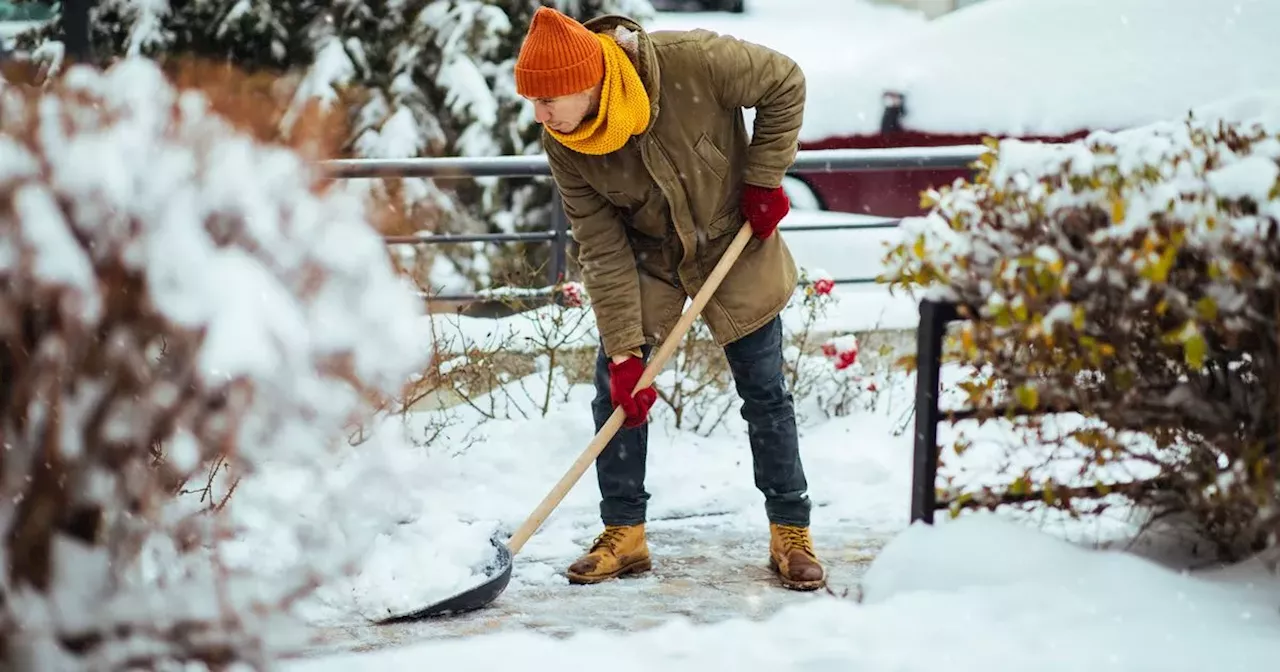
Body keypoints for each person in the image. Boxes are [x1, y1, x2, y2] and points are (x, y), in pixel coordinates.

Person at [514, 6, 823, 591]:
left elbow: (786, 81)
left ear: (587, 82)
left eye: (547, 99)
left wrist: (764, 179)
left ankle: (790, 529)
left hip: (735, 238)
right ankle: (624, 534)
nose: (540, 115)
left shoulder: (692, 63)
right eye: (532, 102)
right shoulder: (567, 143)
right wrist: (628, 350)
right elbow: (601, 249)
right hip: (649, 260)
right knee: (616, 388)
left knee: (764, 392)